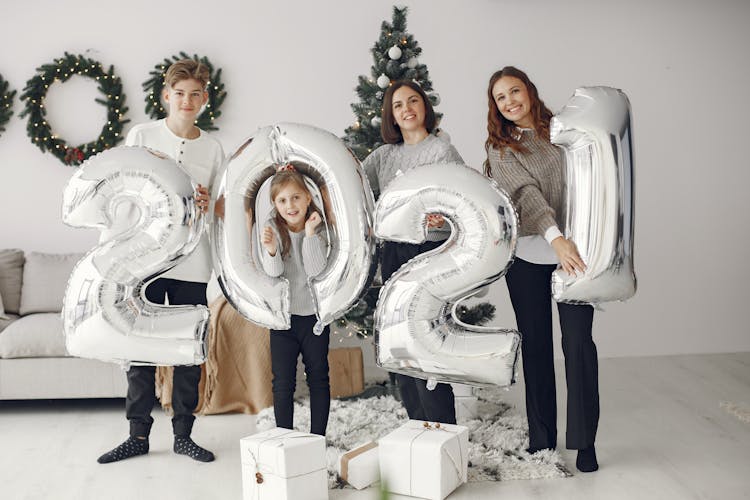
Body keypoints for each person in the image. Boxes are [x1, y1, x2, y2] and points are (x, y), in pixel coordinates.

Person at [97, 59, 224, 464]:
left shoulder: (213, 147)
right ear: (166, 96)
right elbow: (125, 189)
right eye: (179, 93)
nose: (187, 101)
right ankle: (137, 435)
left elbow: (220, 206)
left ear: (204, 99)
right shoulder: (142, 134)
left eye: (195, 94)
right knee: (140, 348)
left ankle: (184, 434)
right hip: (146, 261)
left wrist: (208, 204)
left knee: (188, 348)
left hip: (193, 261)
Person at [483, 66, 599, 472]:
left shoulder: (565, 133)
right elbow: (525, 196)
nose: (510, 101)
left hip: (576, 256)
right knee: (536, 348)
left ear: (529, 92)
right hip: (531, 257)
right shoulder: (500, 149)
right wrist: (556, 237)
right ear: (495, 107)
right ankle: (542, 439)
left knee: (578, 345)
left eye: (515, 91)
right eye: (501, 97)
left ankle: (585, 443)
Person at [362, 80, 464, 425]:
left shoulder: (442, 152)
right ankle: (416, 424)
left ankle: (442, 427)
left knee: (426, 342)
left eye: (413, 101)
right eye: (398, 105)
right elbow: (354, 185)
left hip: (430, 254)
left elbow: (466, 205)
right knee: (399, 342)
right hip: (393, 253)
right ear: (391, 115)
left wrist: (445, 218)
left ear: (424, 106)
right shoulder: (383, 157)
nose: (406, 109)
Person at [258, 166, 331, 436]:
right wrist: (272, 250)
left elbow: (315, 270)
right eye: (283, 200)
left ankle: (318, 437)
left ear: (308, 197)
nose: (291, 205)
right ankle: (284, 436)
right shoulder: (272, 230)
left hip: (314, 316)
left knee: (318, 378)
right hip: (284, 319)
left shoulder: (321, 228)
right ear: (275, 205)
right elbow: (273, 273)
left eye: (296, 197)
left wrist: (310, 235)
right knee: (283, 382)